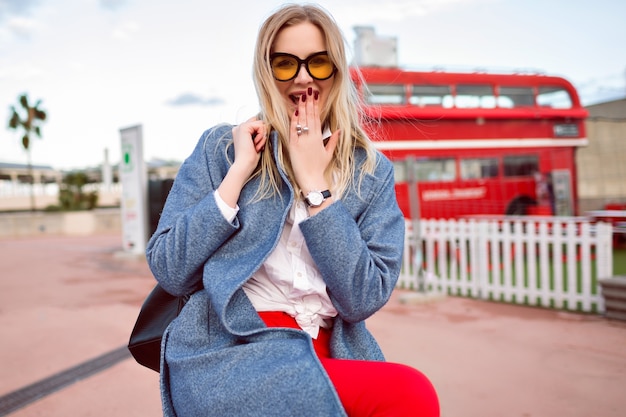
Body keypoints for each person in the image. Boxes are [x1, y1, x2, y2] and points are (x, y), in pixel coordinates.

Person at [146, 4, 439, 416]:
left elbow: (363, 298)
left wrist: (315, 187)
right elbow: (170, 269)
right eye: (285, 64)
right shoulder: (223, 149)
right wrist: (238, 174)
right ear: (266, 72)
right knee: (402, 395)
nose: (303, 77)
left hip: (329, 348)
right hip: (234, 349)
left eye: (317, 63)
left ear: (336, 69)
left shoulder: (371, 172)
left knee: (409, 393)